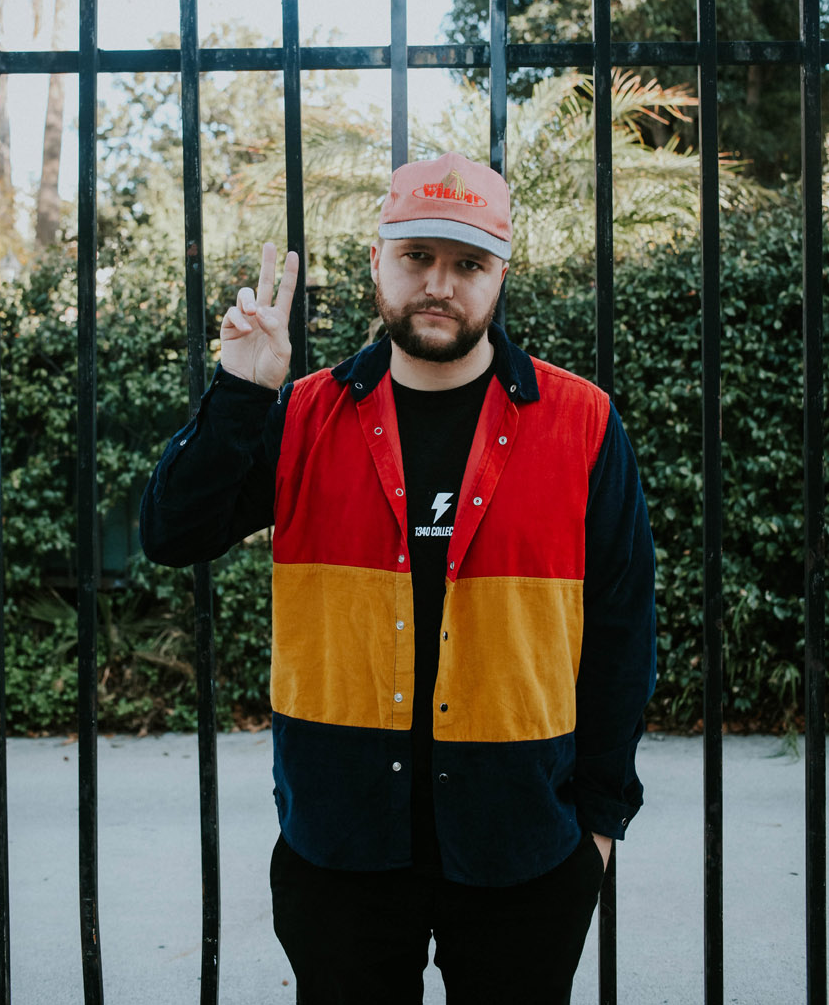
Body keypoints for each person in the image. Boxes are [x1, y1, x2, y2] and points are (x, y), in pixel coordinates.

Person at [140, 151, 656, 1005]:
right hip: (341, 846)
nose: (439, 285)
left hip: (522, 845)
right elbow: (171, 533)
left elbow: (622, 632)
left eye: (468, 263)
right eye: (417, 256)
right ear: (377, 261)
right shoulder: (300, 414)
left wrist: (597, 829)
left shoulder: (583, 422)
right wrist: (240, 391)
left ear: (500, 275)